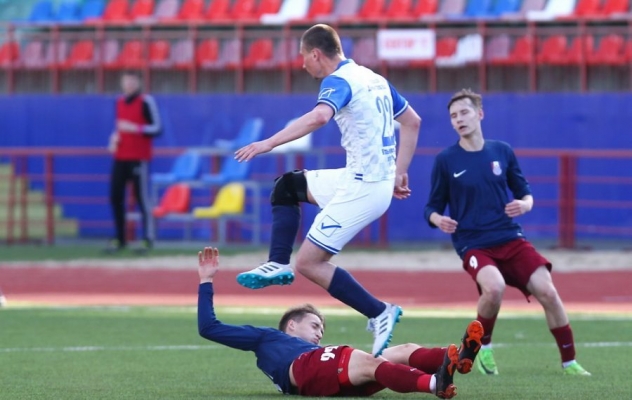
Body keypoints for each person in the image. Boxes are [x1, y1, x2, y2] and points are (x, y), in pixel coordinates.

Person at [233, 24, 422, 357]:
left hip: (363, 188)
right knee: (288, 186)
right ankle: (277, 263)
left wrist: (268, 143)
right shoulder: (374, 79)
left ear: (316, 54)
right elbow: (412, 121)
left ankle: (379, 311)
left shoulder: (339, 80)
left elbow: (319, 117)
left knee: (309, 262)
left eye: (304, 56)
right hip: (363, 179)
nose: (303, 64)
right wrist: (399, 172)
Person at [423, 89, 591, 377]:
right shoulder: (446, 160)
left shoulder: (502, 151)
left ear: (480, 114)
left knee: (548, 291)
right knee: (494, 288)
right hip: (473, 242)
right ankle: (483, 347)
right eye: (453, 116)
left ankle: (570, 362)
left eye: (464, 112)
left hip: (510, 237)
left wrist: (525, 204)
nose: (458, 119)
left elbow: (525, 192)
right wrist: (438, 219)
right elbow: (431, 207)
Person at [197, 247, 484, 399]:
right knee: (369, 361)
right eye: (314, 325)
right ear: (291, 325)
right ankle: (436, 383)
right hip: (307, 370)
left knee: (401, 350)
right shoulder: (267, 338)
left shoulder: (310, 351)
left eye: (321, 329)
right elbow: (209, 327)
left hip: (324, 377)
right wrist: (206, 280)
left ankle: (459, 358)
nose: (319, 333)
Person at [105, 71, 162, 254]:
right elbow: (119, 127)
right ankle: (120, 238)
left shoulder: (146, 101)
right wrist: (115, 138)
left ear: (138, 83)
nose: (129, 84)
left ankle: (147, 239)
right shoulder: (119, 102)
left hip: (138, 158)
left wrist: (136, 128)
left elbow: (157, 128)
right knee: (115, 197)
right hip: (120, 157)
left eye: (132, 81)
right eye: (126, 81)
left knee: (142, 199)